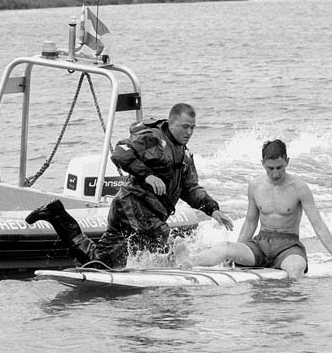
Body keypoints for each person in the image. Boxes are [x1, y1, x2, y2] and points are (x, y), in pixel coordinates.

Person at [25, 103, 233, 268]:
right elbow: (121, 151)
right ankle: (175, 286)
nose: (189, 132)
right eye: (185, 127)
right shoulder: (153, 138)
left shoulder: (185, 156)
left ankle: (56, 215)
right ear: (171, 122)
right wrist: (148, 175)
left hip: (132, 210)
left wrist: (212, 210)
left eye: (193, 128)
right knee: (165, 240)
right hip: (133, 204)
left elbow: (191, 189)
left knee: (100, 261)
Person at [174, 139, 332, 279]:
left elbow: (318, 224)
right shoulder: (255, 186)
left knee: (296, 268)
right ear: (262, 163)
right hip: (260, 244)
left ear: (287, 161)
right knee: (226, 248)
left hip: (288, 246)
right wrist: (237, 250)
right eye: (270, 168)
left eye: (279, 168)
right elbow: (250, 222)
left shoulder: (299, 188)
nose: (275, 173)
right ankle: (190, 260)